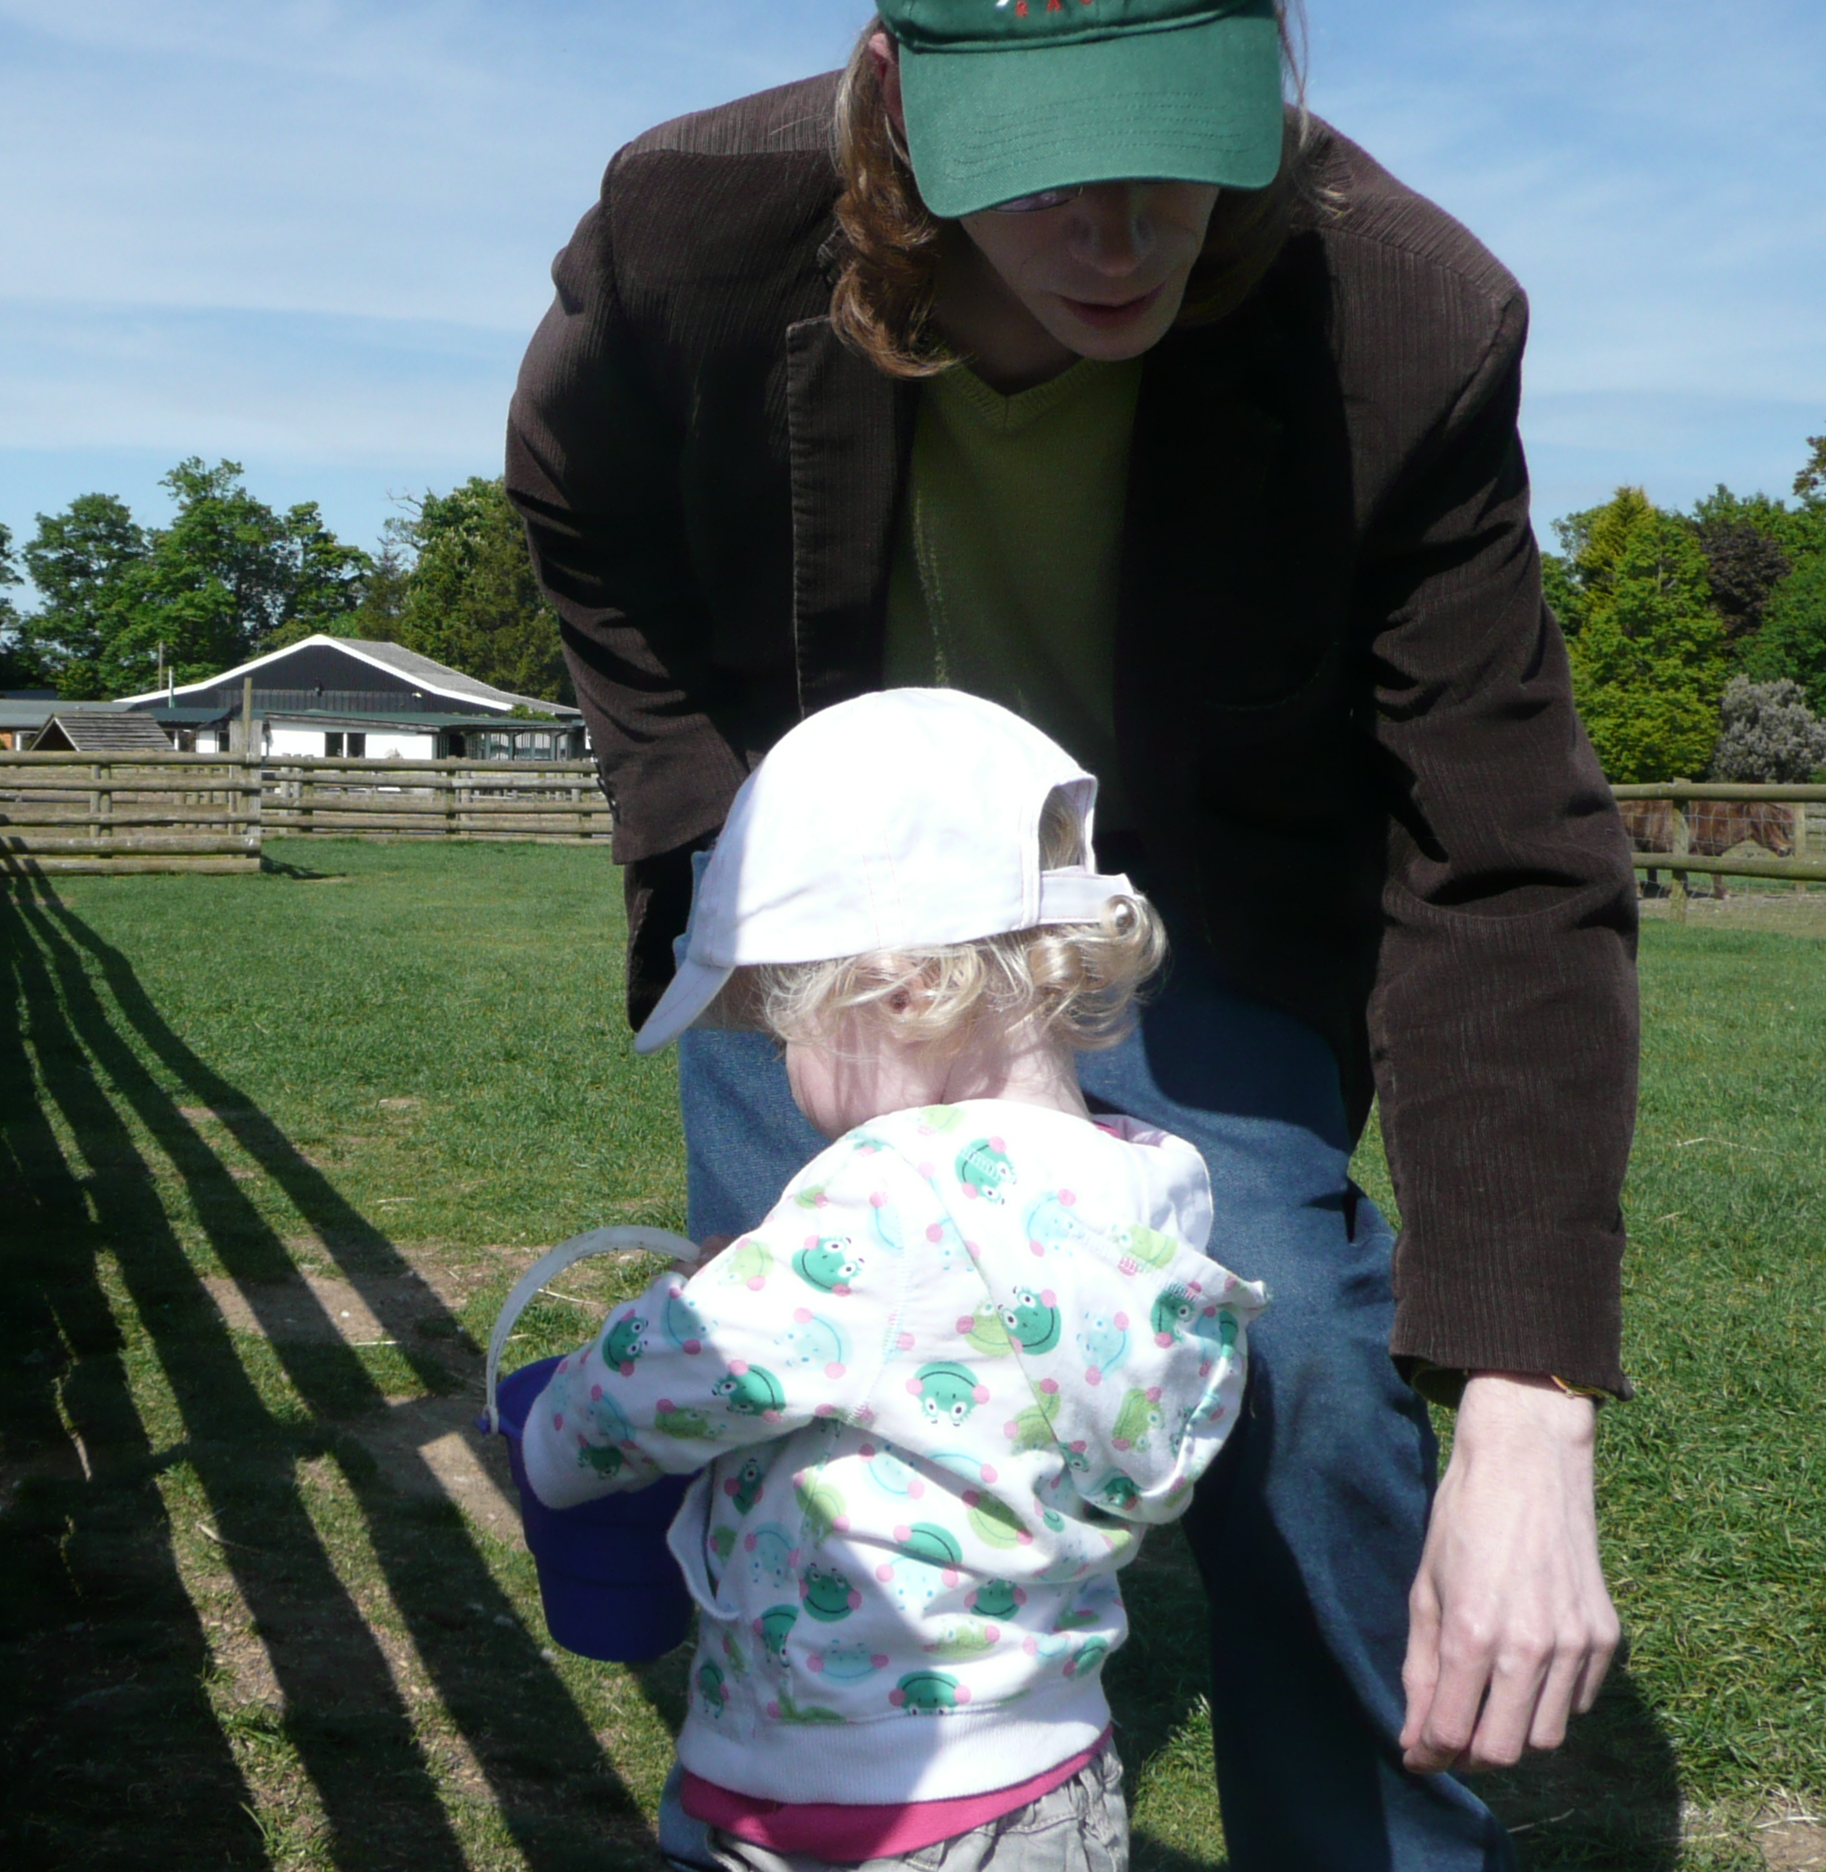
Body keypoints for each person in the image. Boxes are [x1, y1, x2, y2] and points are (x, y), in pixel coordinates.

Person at [505, 4, 1636, 1866]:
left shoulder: (1408, 321)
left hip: (1170, 921)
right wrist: (741, 860)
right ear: (896, 101)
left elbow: (1506, 853)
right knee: (803, 1385)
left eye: (1173, 157)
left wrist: (1531, 1404)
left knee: (1303, 1359)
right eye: (1042, 171)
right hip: (842, 923)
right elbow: (575, 496)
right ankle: (839, 1778)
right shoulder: (687, 234)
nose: (1117, 237)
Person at [522, 688, 1263, 1872]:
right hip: (1047, 1793)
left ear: (905, 989)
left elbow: (675, 1373)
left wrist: (552, 1436)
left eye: (787, 1027)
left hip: (836, 1793)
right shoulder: (1145, 1190)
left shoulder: (888, 1192)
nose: (782, 1068)